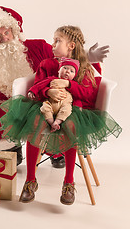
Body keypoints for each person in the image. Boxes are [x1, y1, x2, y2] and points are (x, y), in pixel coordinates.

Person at [0, 5, 109, 167]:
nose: (4, 38)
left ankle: (57, 149)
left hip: (44, 99)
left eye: (7, 32)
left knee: (53, 114)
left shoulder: (38, 47)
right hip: (11, 106)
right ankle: (12, 148)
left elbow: (63, 60)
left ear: (14, 31)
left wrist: (86, 58)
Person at [17, 25, 121, 205]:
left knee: (71, 127)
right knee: (34, 123)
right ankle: (30, 180)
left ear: (71, 45)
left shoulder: (83, 68)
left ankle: (69, 182)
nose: (52, 44)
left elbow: (88, 93)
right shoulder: (47, 64)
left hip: (73, 109)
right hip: (46, 105)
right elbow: (38, 86)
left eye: (57, 41)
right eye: (53, 40)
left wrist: (68, 84)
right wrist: (48, 92)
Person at [30, 58, 80, 132]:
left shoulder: (72, 85)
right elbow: (40, 85)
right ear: (59, 70)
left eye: (71, 71)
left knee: (67, 110)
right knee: (44, 108)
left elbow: (77, 96)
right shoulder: (52, 79)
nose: (67, 71)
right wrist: (32, 91)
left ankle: (57, 122)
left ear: (74, 76)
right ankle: (51, 122)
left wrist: (79, 106)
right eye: (65, 68)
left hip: (64, 104)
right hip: (50, 103)